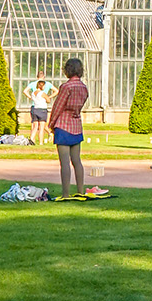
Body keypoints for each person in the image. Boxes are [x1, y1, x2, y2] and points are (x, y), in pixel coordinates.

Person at [47, 58, 89, 201]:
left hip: (64, 125)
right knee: (77, 161)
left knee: (64, 163)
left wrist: (51, 124)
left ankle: (65, 194)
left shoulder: (66, 87)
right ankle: (80, 191)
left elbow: (58, 106)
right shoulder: (83, 87)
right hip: (77, 125)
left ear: (68, 70)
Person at [23, 78, 57, 145]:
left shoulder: (33, 93)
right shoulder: (42, 93)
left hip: (35, 109)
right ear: (42, 86)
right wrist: (48, 97)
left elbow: (31, 98)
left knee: (35, 126)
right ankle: (41, 142)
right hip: (42, 110)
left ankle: (31, 139)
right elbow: (48, 100)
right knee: (41, 127)